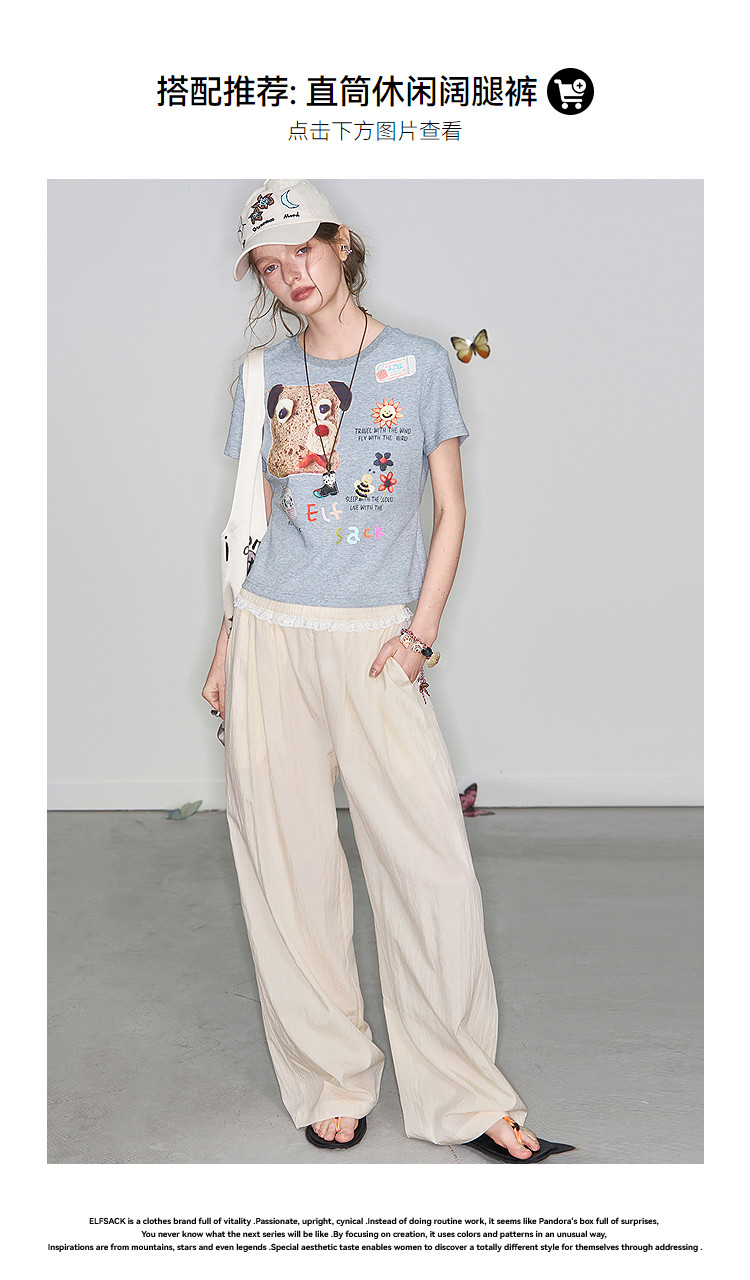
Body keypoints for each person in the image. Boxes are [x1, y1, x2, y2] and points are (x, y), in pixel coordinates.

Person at [202, 179, 572, 1164]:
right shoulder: (261, 373)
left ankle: (464, 1093)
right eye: (269, 266)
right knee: (289, 870)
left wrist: (420, 635)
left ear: (341, 243)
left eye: (302, 250)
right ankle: (331, 1077)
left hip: (375, 639)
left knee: (429, 869)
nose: (290, 275)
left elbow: (450, 511)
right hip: (272, 632)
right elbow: (253, 522)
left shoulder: (419, 362)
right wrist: (228, 640)